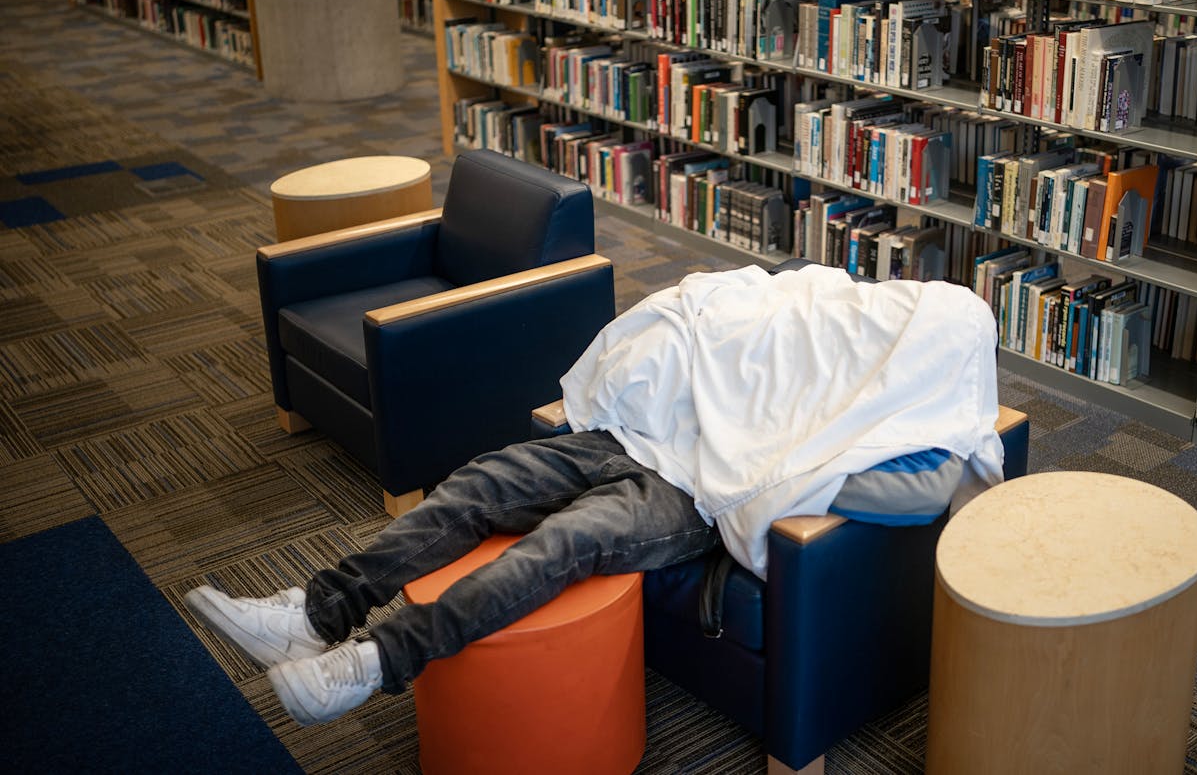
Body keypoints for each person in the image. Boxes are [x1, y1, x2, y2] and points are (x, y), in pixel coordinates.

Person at [185, 263, 1003, 726]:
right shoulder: (841, 310)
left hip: (691, 496)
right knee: (484, 480)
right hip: (641, 435)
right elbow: (761, 309)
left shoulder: (921, 432)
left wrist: (804, 460)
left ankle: (375, 663)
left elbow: (921, 491)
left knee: (566, 543)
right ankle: (314, 612)